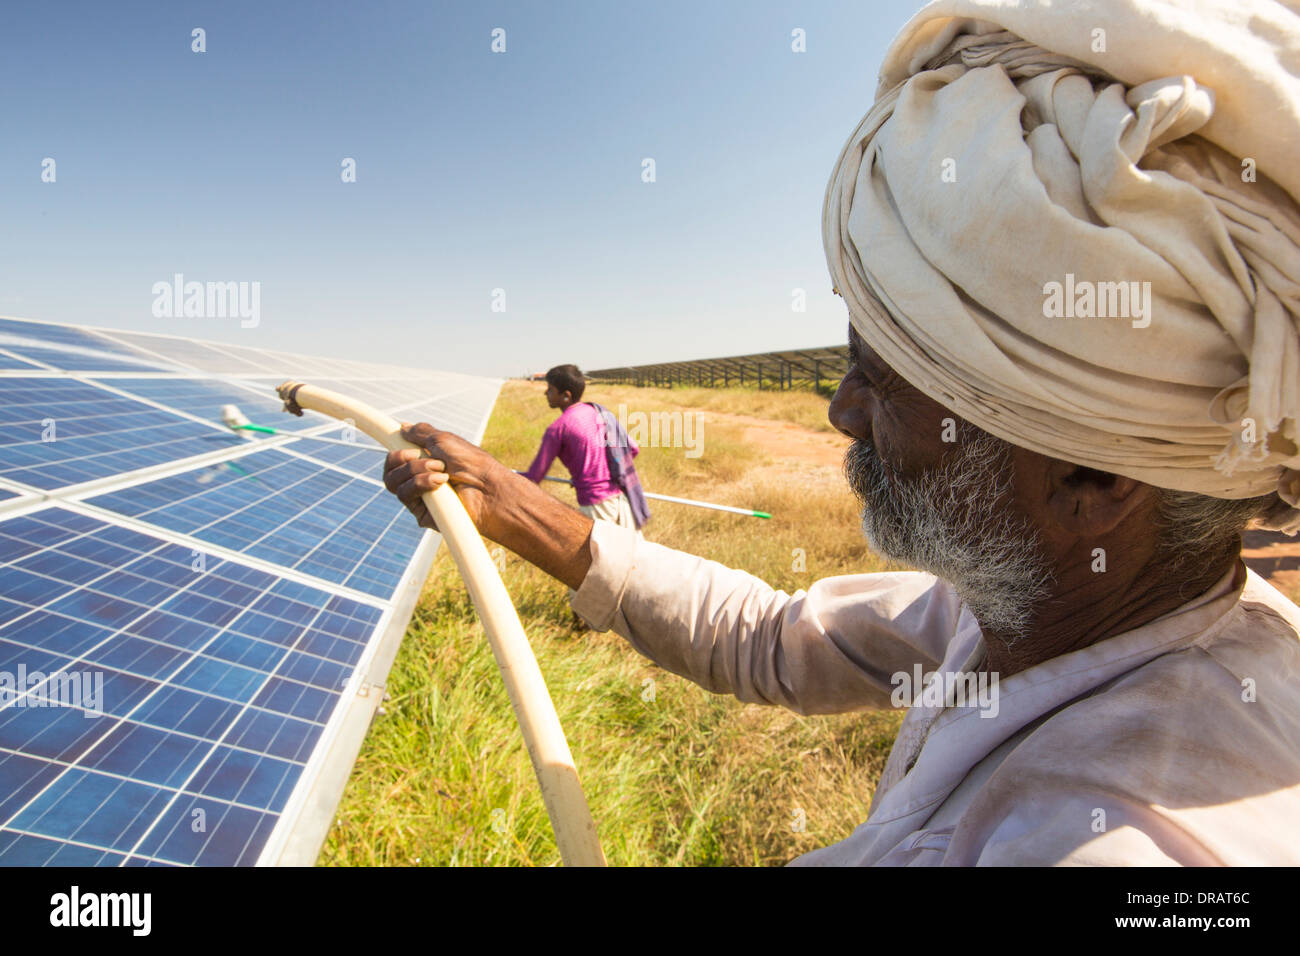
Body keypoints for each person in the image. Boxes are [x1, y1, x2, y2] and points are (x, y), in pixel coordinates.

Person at [383, 0, 1300, 864]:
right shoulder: (1039, 607)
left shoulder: (1119, 843)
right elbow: (774, 639)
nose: (841, 409)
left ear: (1091, 480)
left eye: (887, 383)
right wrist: (515, 510)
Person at [522, 364, 648, 534]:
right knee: (632, 558)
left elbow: (534, 476)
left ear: (566, 395)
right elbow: (631, 449)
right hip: (622, 502)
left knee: (601, 560)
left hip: (597, 507)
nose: (546, 393)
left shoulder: (558, 428)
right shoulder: (598, 413)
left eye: (550, 389)